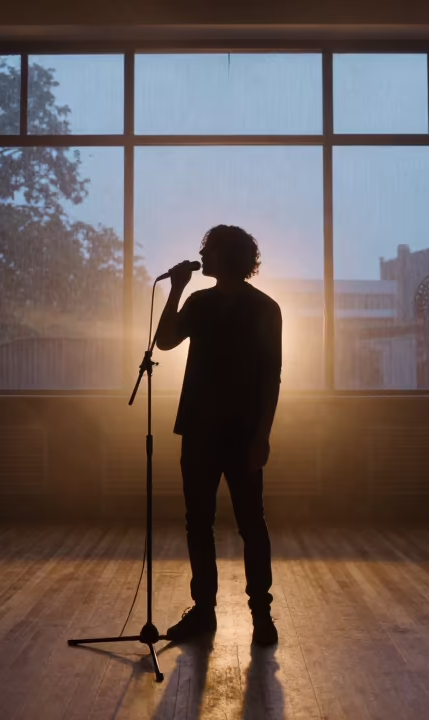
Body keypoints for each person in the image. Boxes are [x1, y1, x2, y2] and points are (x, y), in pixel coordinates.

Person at [153, 224, 283, 647]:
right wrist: (176, 290)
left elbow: (272, 377)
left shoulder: (264, 308)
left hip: (237, 432)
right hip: (203, 430)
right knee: (203, 523)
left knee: (248, 524)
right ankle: (209, 611)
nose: (202, 256)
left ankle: (259, 613)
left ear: (226, 256)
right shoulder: (201, 302)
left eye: (208, 250)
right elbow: (164, 341)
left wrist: (262, 435)